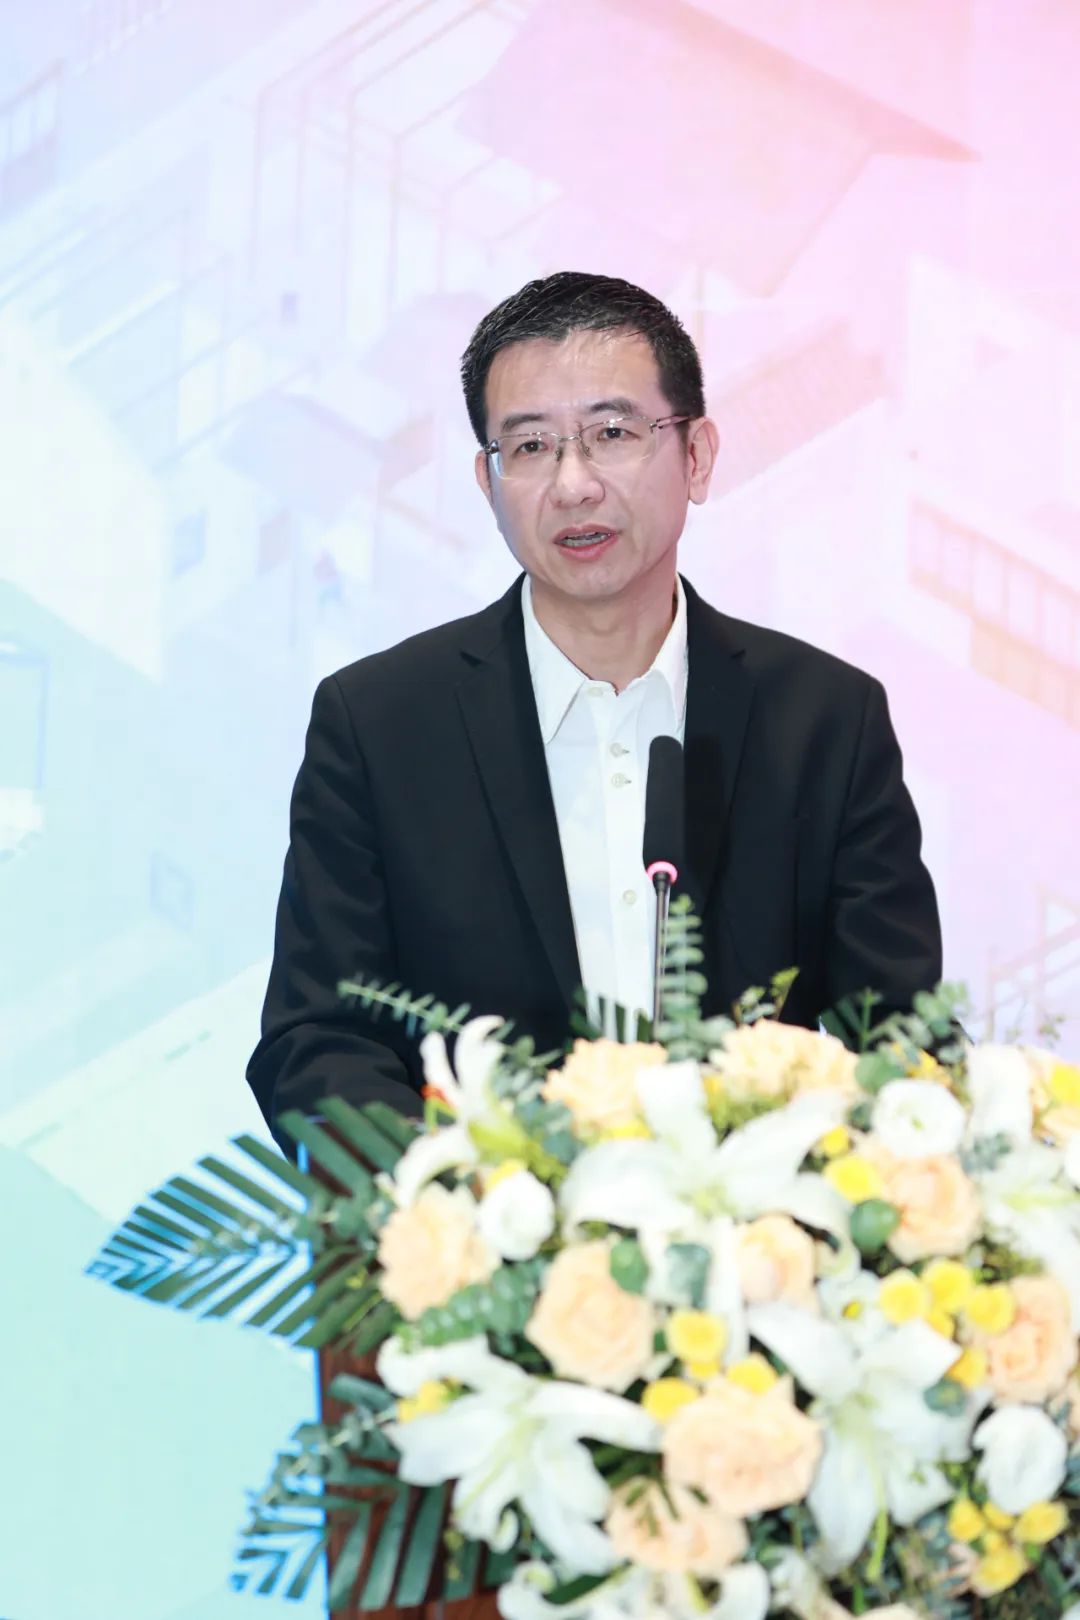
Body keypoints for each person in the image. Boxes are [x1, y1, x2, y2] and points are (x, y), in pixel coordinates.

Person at [247, 272, 941, 1143]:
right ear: (488, 481)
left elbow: (900, 1035)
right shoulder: (380, 726)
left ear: (697, 456)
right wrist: (457, 1193)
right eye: (530, 446)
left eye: (612, 434)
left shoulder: (824, 721)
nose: (572, 484)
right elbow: (317, 1040)